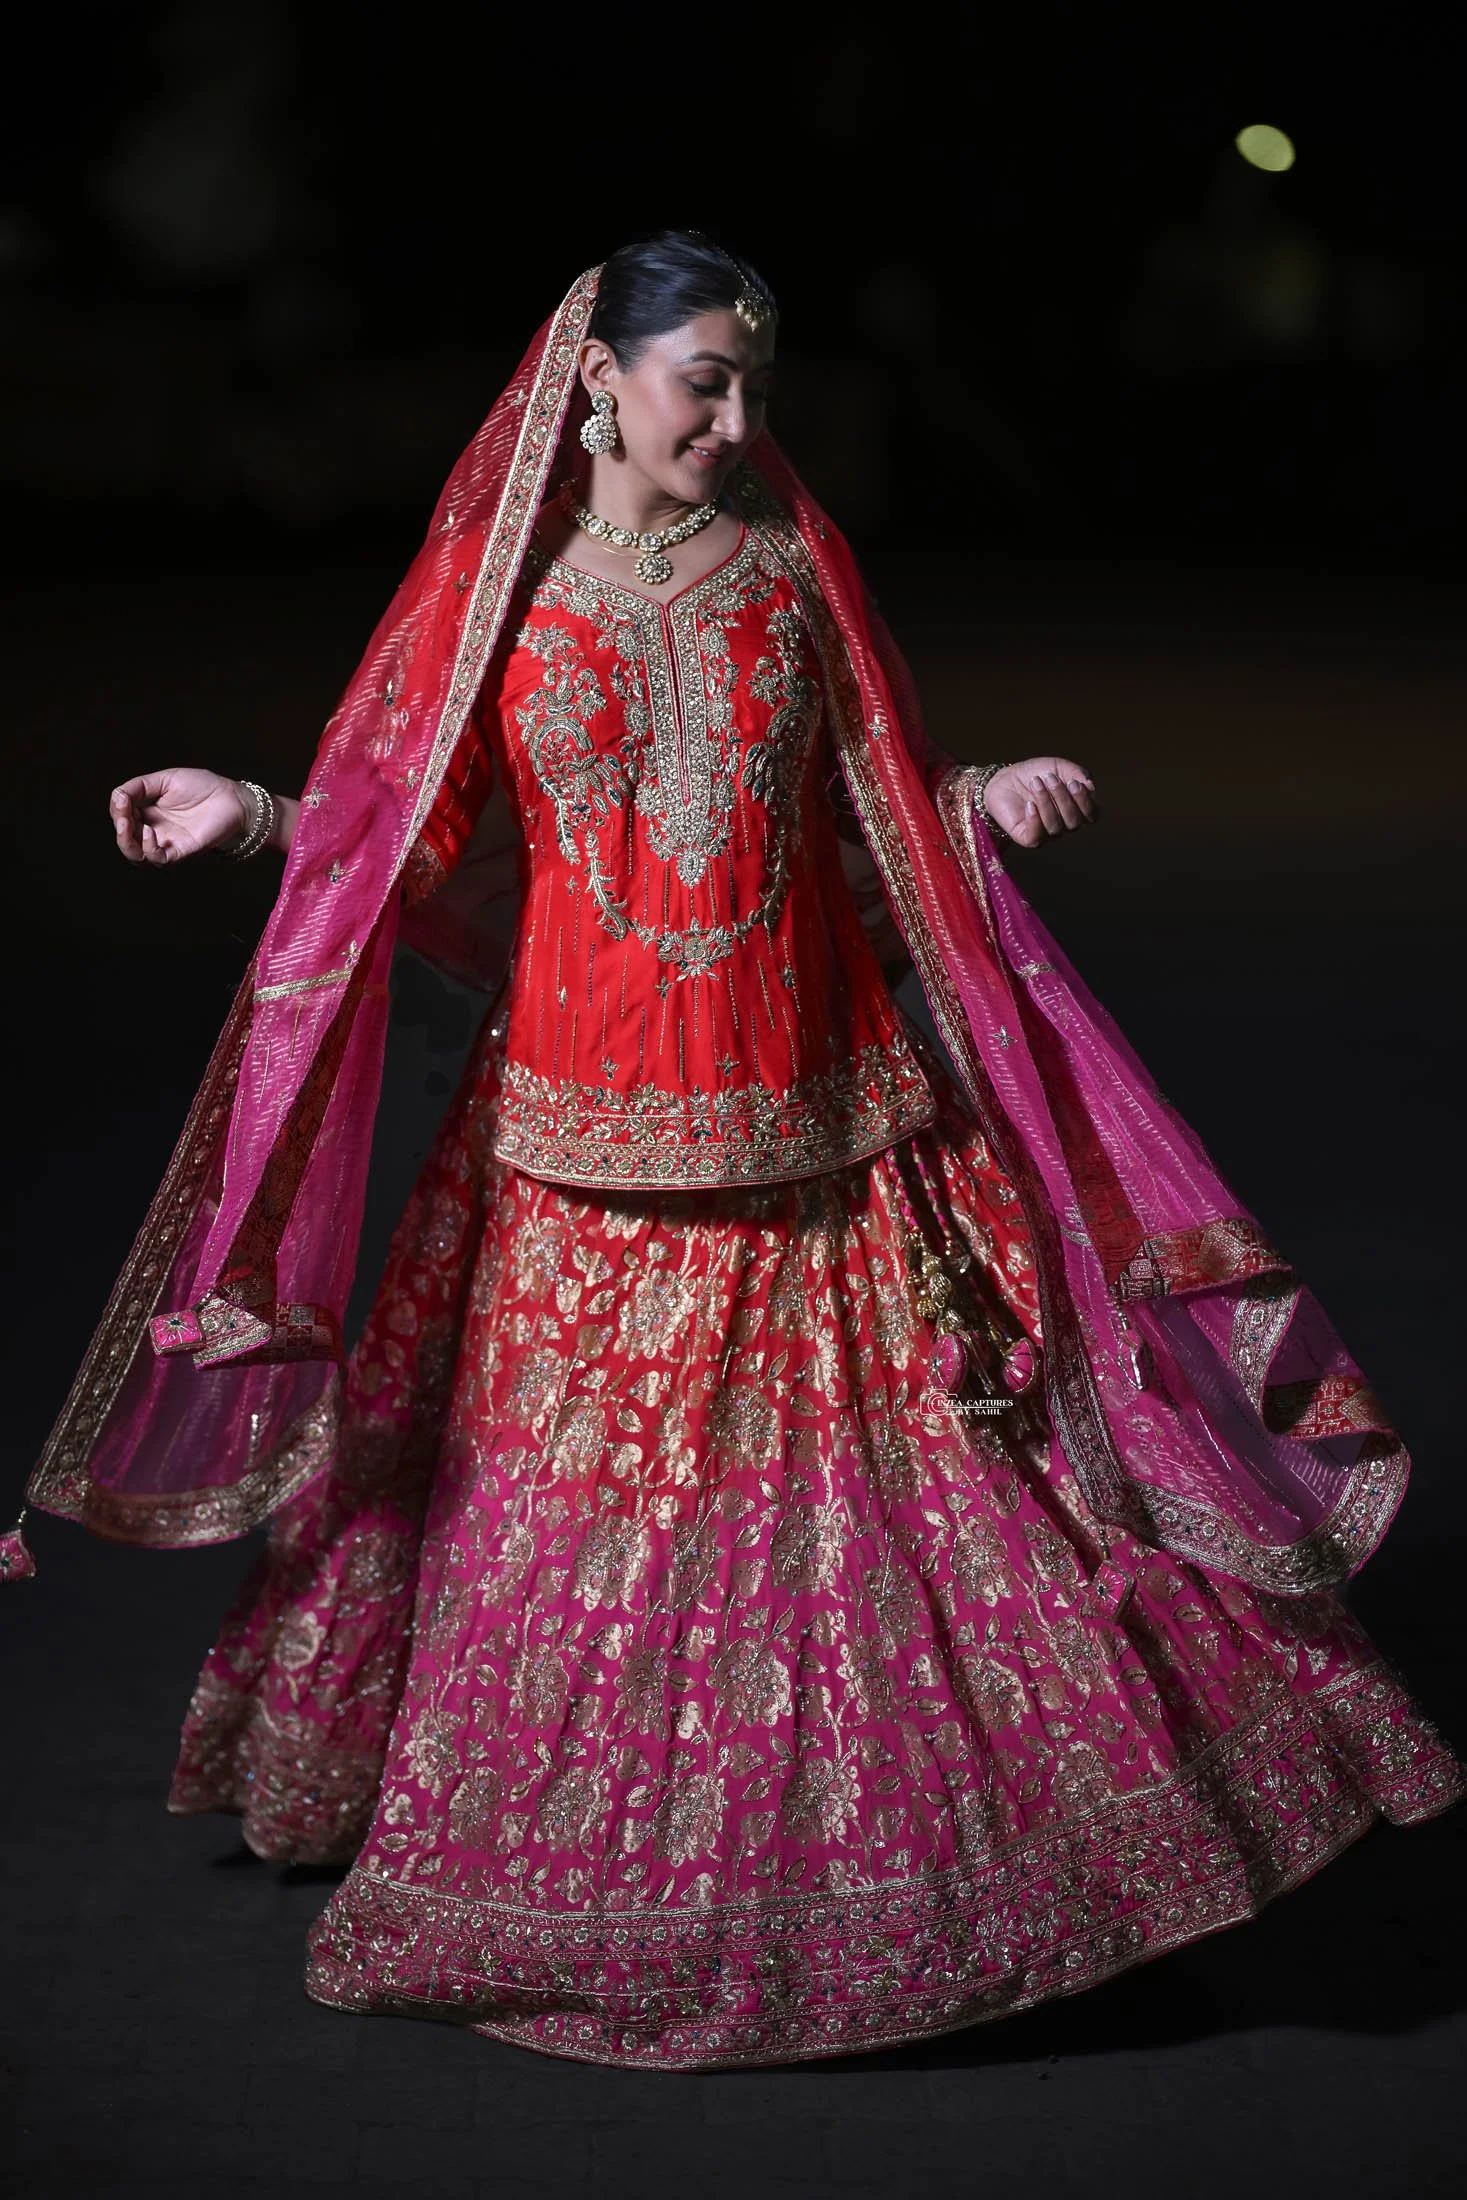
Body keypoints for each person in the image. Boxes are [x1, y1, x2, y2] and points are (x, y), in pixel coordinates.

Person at [29, 232, 1462, 2071]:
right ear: (597, 382)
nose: (732, 414)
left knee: (898, 1512)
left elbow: (873, 816)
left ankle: (952, 1884)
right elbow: (424, 828)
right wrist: (256, 816)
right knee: (577, 1534)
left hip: (819, 1125)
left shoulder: (793, 571)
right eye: (701, 375)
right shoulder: (498, 588)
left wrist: (975, 799)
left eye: (752, 385)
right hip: (573, 1136)